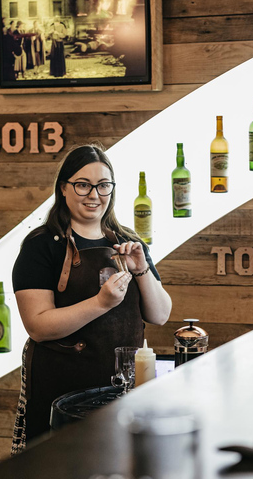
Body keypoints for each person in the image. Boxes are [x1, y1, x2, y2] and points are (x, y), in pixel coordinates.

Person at [10, 144, 172, 454]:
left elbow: (160, 314)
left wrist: (141, 270)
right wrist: (101, 303)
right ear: (64, 188)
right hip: (61, 391)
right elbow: (38, 326)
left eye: (103, 185)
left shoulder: (129, 242)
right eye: (83, 185)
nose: (94, 194)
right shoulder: (42, 245)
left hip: (121, 391)